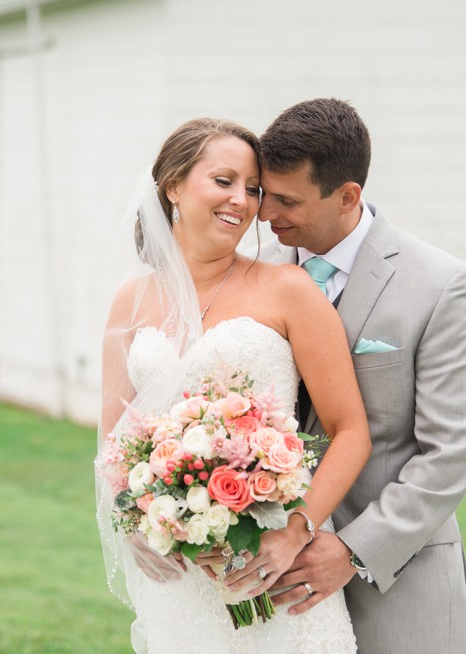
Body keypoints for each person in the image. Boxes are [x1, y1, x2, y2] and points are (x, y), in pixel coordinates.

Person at [95, 118, 371, 653]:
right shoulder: (129, 302)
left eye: (252, 189)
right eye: (224, 181)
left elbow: (351, 429)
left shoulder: (287, 289)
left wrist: (293, 530)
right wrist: (135, 519)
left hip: (278, 570)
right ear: (173, 185)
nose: (243, 202)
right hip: (182, 581)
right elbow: (115, 441)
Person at [257, 98, 466, 653]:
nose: (266, 215)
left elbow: (451, 452)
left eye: (288, 201)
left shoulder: (441, 285)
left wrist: (353, 550)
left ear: (347, 196)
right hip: (278, 589)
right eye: (266, 195)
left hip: (399, 585)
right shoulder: (256, 273)